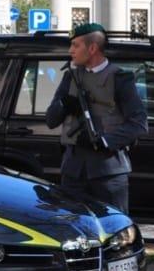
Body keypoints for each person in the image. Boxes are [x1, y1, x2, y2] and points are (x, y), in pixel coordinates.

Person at [45, 23, 147, 213]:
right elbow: (51, 120)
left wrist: (105, 141)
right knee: (74, 228)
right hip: (73, 171)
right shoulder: (70, 77)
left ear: (92, 48)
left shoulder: (120, 78)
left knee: (114, 228)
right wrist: (64, 105)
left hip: (108, 171)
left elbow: (138, 124)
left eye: (76, 45)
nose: (70, 51)